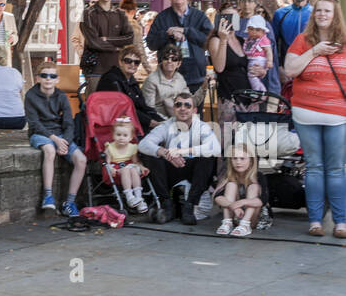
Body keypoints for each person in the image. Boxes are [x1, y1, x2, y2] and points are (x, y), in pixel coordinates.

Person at [284, 0, 346, 238]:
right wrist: (314, 51)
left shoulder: (344, 41)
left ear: (335, 15)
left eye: (327, 11)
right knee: (314, 167)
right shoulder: (303, 40)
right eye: (318, 10)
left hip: (338, 115)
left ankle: (340, 221)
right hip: (306, 112)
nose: (322, 14)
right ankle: (315, 221)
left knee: (335, 168)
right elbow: (290, 70)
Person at [138, 92, 221, 224]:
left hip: (192, 170)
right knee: (150, 155)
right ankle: (167, 203)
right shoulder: (166, 125)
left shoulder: (201, 126)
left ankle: (189, 205)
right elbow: (143, 144)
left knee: (208, 156)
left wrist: (182, 151)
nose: (182, 108)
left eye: (187, 105)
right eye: (178, 105)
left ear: (194, 110)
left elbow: (215, 148)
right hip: (171, 170)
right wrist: (167, 154)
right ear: (174, 108)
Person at [25, 63, 87, 216]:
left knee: (81, 159)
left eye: (52, 76)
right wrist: (54, 140)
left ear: (57, 79)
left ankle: (69, 202)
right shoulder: (31, 95)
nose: (48, 79)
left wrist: (64, 141)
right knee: (50, 150)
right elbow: (34, 123)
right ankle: (48, 196)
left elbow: (68, 122)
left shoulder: (61, 96)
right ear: (38, 78)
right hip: (39, 134)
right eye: (44, 75)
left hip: (60, 134)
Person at [146, 0, 212, 99]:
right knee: (168, 114)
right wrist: (168, 34)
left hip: (195, 77)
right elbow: (151, 44)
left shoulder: (200, 16)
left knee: (195, 115)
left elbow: (209, 40)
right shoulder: (162, 17)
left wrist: (186, 31)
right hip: (168, 77)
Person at [79, 0, 133, 93]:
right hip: (95, 69)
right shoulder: (88, 13)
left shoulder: (120, 14)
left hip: (117, 68)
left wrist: (107, 39)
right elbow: (94, 43)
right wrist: (118, 47)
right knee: (94, 107)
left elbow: (129, 38)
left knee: (115, 107)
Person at [96, 45, 162, 134]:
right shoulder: (110, 79)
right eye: (128, 61)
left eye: (136, 62)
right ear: (120, 62)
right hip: (117, 128)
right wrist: (149, 122)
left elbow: (143, 106)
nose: (132, 64)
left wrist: (160, 120)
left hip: (133, 123)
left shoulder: (132, 81)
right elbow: (122, 109)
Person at [206, 10, 250, 125]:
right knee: (228, 138)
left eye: (234, 16)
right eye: (227, 16)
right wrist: (224, 39)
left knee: (248, 138)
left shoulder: (241, 40)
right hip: (229, 97)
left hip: (247, 96)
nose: (231, 20)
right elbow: (219, 67)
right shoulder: (215, 40)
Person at [235, 0, 280, 94]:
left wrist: (265, 70)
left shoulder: (262, 24)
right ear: (239, 3)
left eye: (250, 1)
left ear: (255, 4)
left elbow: (270, 51)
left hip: (260, 69)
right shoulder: (236, 23)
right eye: (243, 1)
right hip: (241, 73)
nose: (246, 4)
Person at [104, 115, 150, 213]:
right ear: (113, 135)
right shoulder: (110, 147)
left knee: (133, 169)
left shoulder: (132, 147)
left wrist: (141, 166)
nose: (121, 138)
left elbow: (135, 161)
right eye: (118, 135)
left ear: (131, 137)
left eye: (125, 135)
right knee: (126, 169)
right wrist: (110, 168)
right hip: (116, 167)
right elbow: (106, 162)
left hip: (130, 165)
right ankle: (129, 197)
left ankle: (139, 198)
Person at [214, 146, 263, 237]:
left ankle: (245, 224)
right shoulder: (228, 176)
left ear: (251, 161)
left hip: (254, 218)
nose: (238, 162)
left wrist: (241, 202)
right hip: (235, 215)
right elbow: (217, 197)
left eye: (242, 158)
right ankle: (227, 222)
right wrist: (233, 206)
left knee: (253, 186)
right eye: (235, 158)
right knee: (231, 184)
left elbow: (262, 201)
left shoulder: (258, 176)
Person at [273, 0, 313, 81]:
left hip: (310, 66)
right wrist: (278, 67)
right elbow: (273, 43)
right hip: (287, 68)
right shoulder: (280, 14)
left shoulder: (315, 14)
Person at [141, 44, 187, 119]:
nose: (169, 61)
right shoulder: (151, 80)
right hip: (158, 121)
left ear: (179, 64)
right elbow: (149, 110)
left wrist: (203, 88)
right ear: (161, 60)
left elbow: (188, 100)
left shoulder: (180, 78)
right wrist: (170, 122)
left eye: (174, 59)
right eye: (166, 58)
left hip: (177, 118)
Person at [120, 0, 150, 74]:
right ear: (133, 11)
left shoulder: (114, 23)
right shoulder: (134, 26)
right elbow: (140, 49)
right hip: (128, 63)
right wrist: (149, 70)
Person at [242, 15, 273, 93]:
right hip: (252, 60)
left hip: (259, 59)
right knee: (254, 76)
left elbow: (268, 51)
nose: (254, 32)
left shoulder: (263, 40)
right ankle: (258, 89)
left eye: (257, 30)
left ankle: (259, 90)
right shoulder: (250, 40)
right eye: (251, 29)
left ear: (263, 31)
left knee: (252, 74)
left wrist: (269, 61)